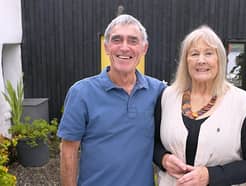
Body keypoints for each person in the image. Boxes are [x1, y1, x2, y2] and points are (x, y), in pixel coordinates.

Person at [57, 14, 165, 186]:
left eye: (133, 41)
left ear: (144, 48)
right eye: (117, 40)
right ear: (106, 47)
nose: (124, 47)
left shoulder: (158, 91)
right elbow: (68, 149)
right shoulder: (81, 92)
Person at [153, 25, 246, 186]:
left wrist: (210, 176)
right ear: (186, 61)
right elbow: (153, 142)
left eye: (208, 53)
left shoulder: (242, 102)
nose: (201, 60)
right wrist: (163, 159)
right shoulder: (168, 97)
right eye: (194, 54)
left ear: (219, 60)